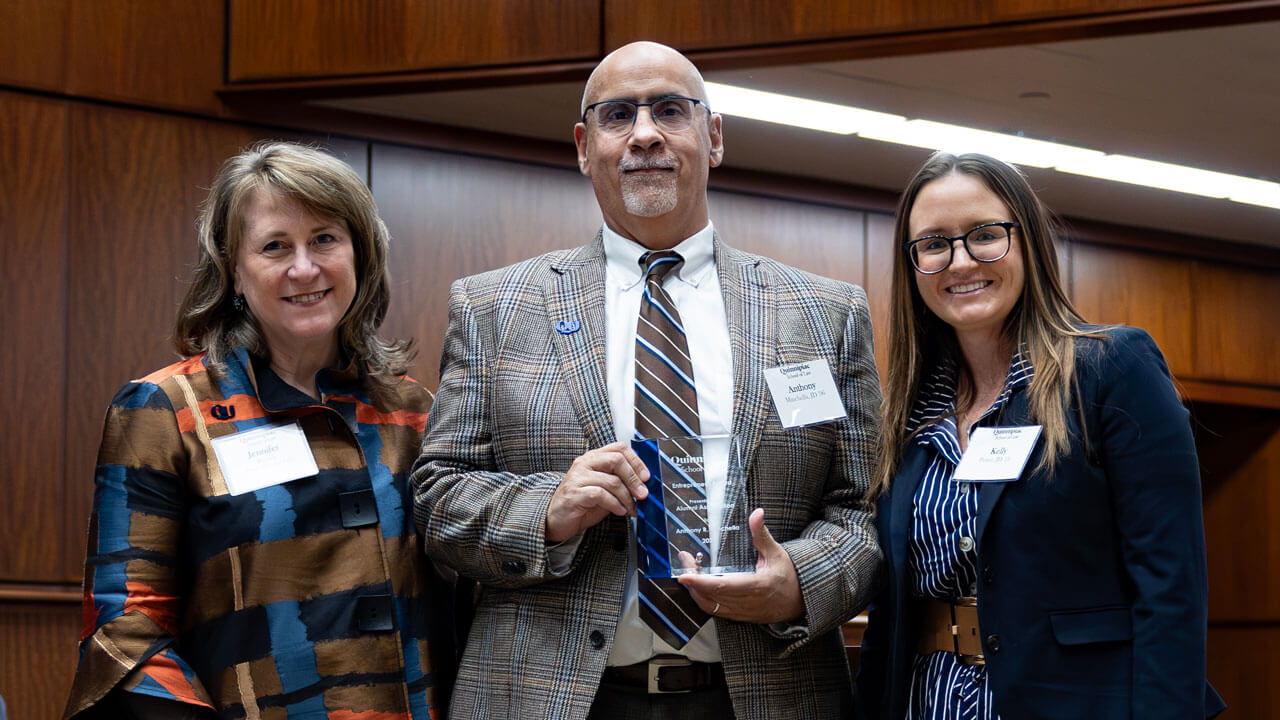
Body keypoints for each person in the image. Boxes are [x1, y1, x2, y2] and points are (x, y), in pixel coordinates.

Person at [411, 41, 882, 719]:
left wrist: (798, 584)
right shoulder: (495, 308)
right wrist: (546, 511)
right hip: (552, 698)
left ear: (713, 137)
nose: (645, 134)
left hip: (768, 693)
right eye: (617, 116)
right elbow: (437, 496)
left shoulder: (824, 314)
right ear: (583, 146)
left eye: (669, 110)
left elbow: (860, 511)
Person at [64, 142, 462, 720]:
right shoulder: (167, 411)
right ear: (234, 272)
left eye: (325, 239)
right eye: (276, 246)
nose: (305, 268)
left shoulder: (415, 412)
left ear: (360, 255)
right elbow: (126, 628)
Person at [855, 151, 1225, 719]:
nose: (960, 261)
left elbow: (1170, 588)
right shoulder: (907, 414)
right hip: (930, 701)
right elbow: (892, 605)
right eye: (933, 244)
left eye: (984, 235)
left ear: (1026, 240)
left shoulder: (1110, 370)